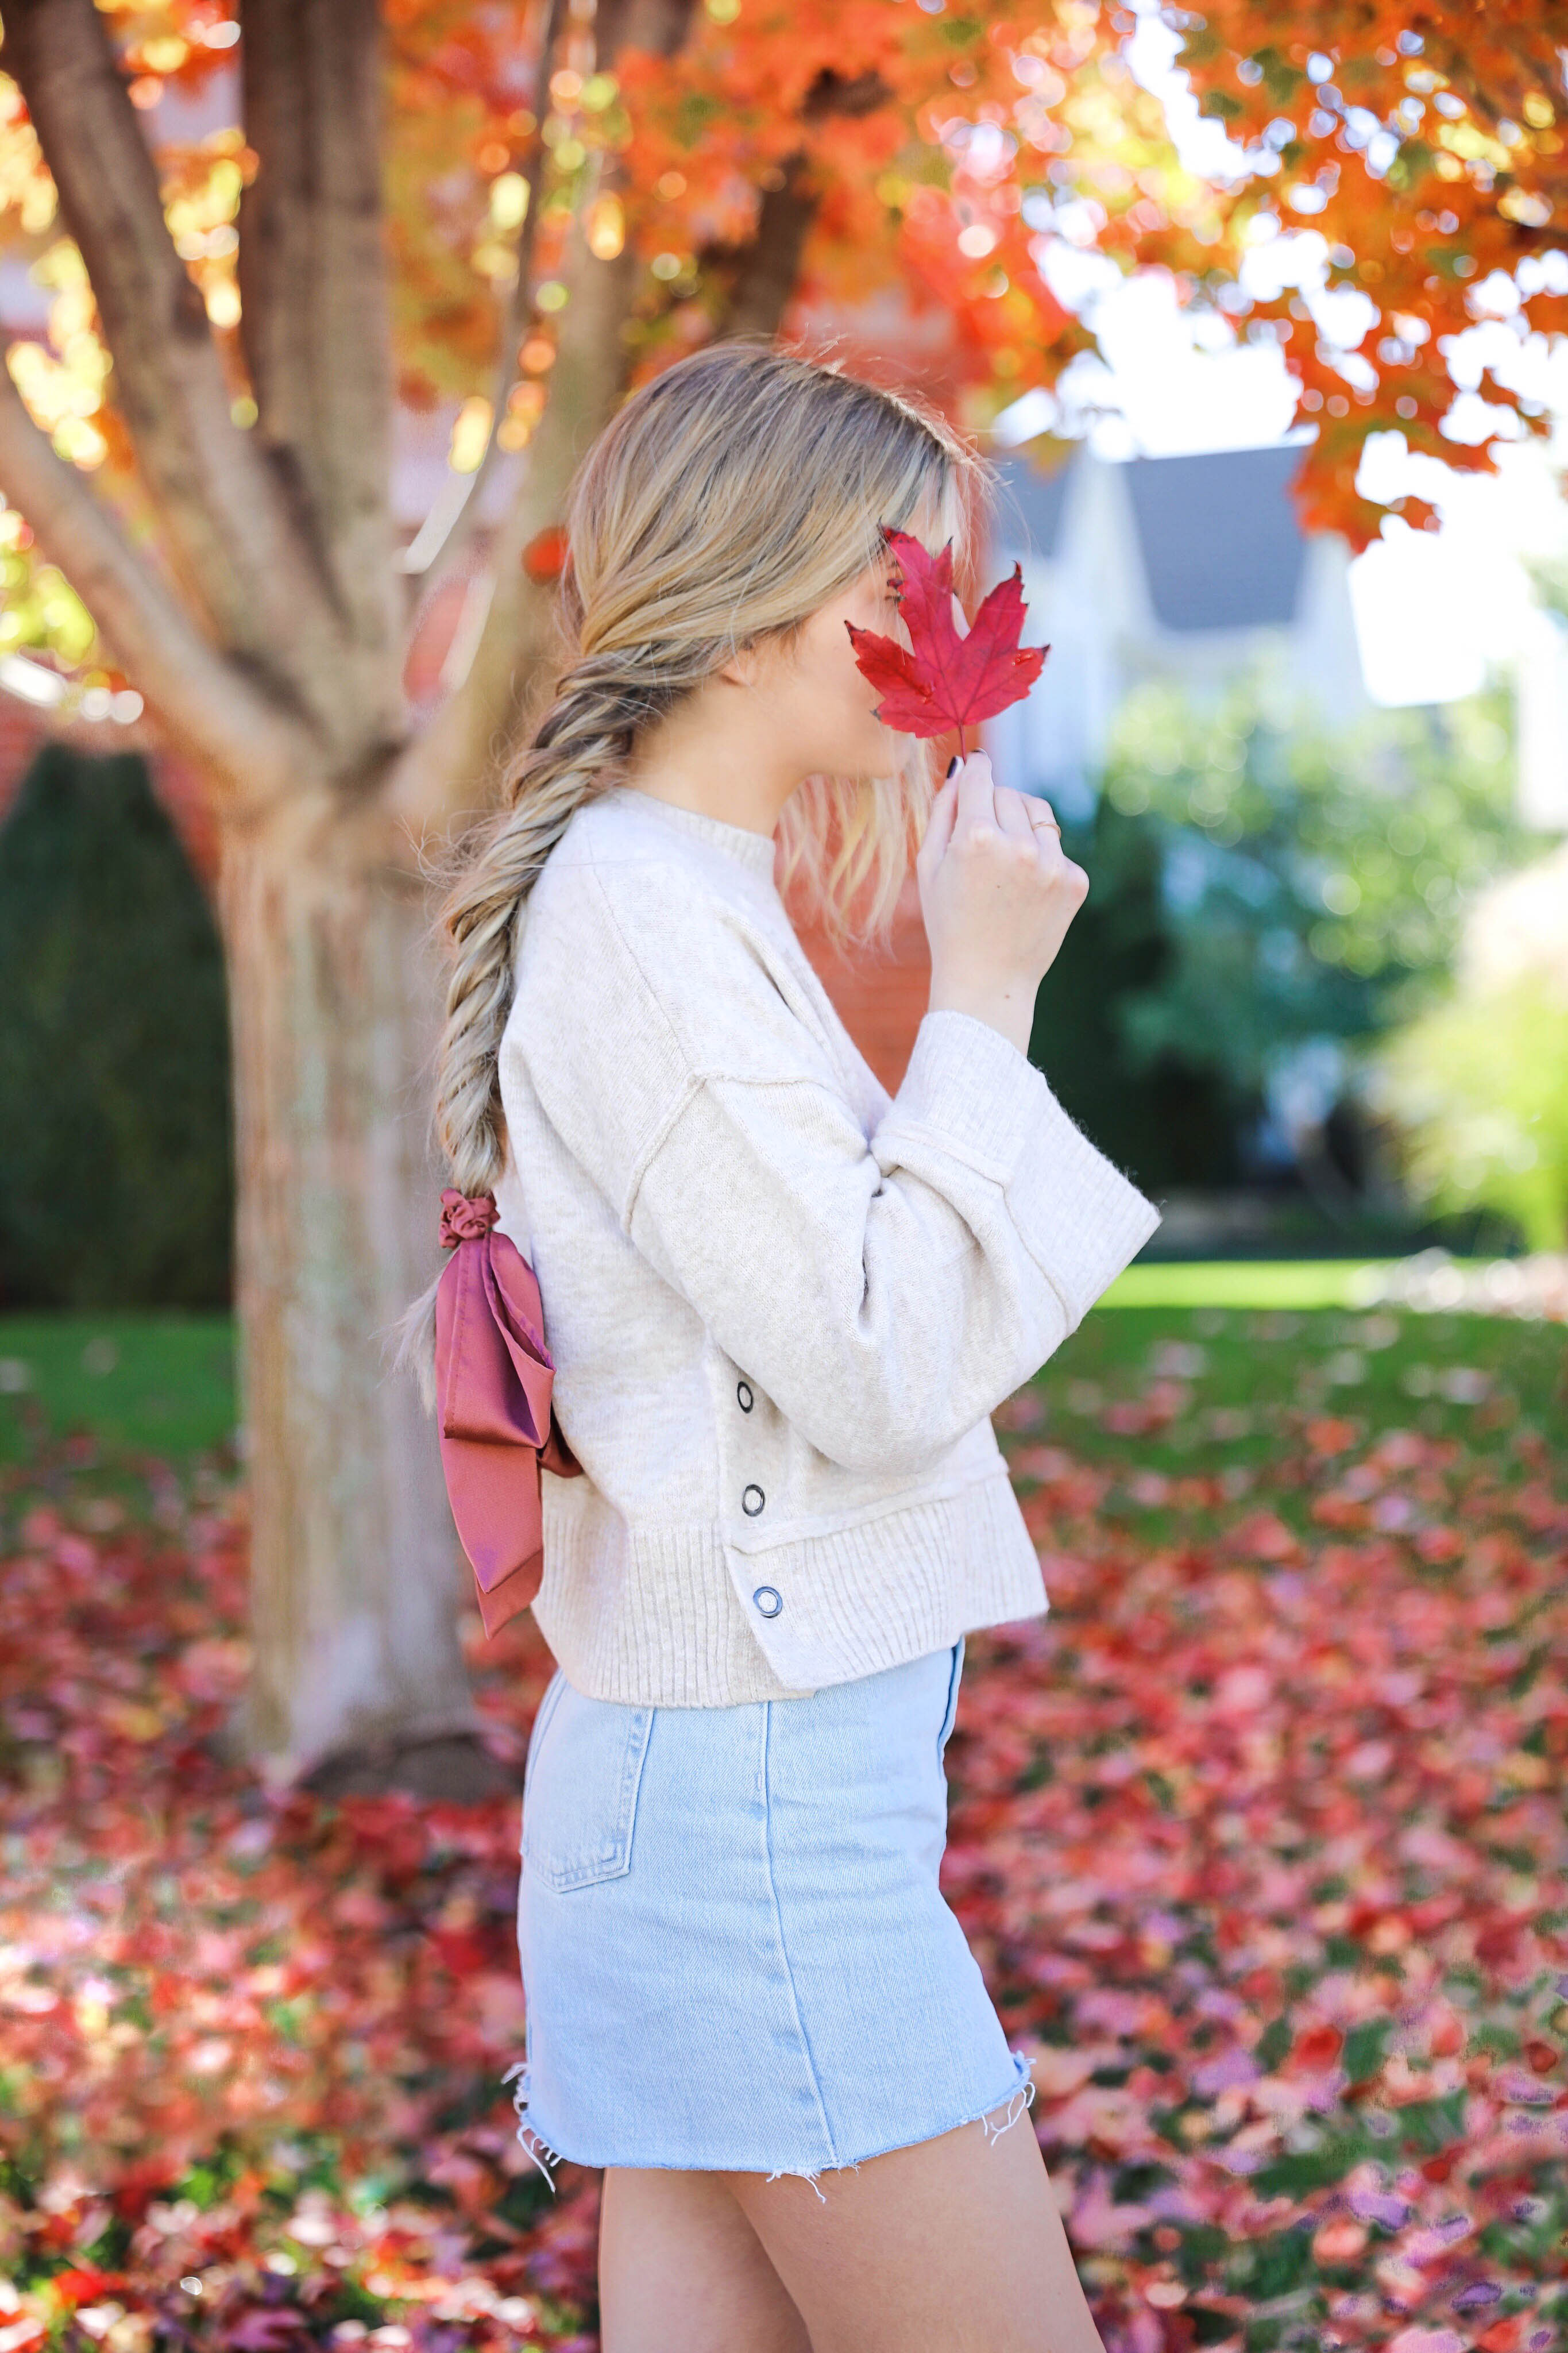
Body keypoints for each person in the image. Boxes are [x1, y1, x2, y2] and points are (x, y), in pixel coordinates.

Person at [423, 344, 1159, 2352]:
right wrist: (982, 1003)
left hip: (727, 1776)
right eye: (895, 580)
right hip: (754, 1816)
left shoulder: (681, 898)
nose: (939, 633)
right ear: (748, 598)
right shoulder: (644, 920)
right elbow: (879, 1358)